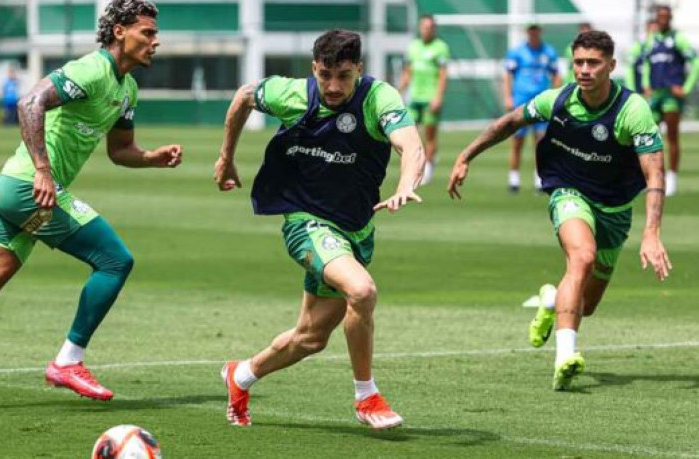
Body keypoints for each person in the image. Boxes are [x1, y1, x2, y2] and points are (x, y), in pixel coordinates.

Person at [0, 0, 182, 400]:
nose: (156, 41)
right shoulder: (91, 69)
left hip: (19, 193)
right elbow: (30, 102)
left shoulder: (127, 90)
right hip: (28, 188)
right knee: (114, 261)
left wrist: (151, 158)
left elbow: (120, 150)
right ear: (120, 31)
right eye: (148, 32)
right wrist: (43, 170)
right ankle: (68, 361)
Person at [214, 29, 424, 428]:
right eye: (325, 75)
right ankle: (366, 397)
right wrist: (226, 158)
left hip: (355, 231)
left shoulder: (379, 98)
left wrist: (405, 184)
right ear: (314, 69)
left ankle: (240, 376)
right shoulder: (293, 94)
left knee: (310, 337)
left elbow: (410, 145)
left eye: (343, 76)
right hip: (305, 222)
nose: (333, 86)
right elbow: (244, 96)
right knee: (362, 291)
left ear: (359, 69)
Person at [448, 31, 671, 391]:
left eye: (593, 63)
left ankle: (552, 299)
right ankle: (565, 356)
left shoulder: (633, 110)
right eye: (579, 62)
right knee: (582, 257)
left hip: (614, 208)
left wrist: (652, 232)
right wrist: (465, 155)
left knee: (588, 303)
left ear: (611, 66)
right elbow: (511, 122)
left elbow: (655, 173)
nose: (584, 70)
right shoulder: (558, 99)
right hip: (569, 192)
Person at [641, 5, 699, 196]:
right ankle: (652, 177)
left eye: (666, 16)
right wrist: (646, 84)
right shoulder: (651, 39)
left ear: (670, 18)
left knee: (672, 136)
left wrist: (686, 88)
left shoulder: (678, 38)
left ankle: (672, 178)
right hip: (655, 94)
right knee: (648, 137)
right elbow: (646, 64)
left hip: (671, 96)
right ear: (656, 18)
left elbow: (696, 62)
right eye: (660, 16)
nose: (663, 19)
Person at [503, 23, 561, 193]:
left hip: (541, 101)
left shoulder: (548, 52)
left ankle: (539, 179)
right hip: (521, 100)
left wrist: (556, 96)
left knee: (541, 141)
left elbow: (556, 74)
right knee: (517, 140)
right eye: (531, 30)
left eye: (536, 30)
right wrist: (508, 97)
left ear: (540, 31)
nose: (533, 33)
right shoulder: (517, 52)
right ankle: (514, 179)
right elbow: (508, 74)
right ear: (527, 32)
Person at [398, 14, 450, 186]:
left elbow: (443, 75)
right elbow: (407, 73)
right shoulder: (413, 47)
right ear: (420, 28)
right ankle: (415, 165)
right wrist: (398, 91)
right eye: (425, 27)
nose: (427, 30)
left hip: (430, 97)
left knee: (429, 135)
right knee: (409, 134)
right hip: (414, 97)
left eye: (430, 27)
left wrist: (438, 97)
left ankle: (427, 170)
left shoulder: (440, 47)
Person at [625, 20, 658, 94]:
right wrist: (631, 90)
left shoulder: (661, 49)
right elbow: (629, 69)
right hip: (640, 92)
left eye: (656, 31)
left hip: (657, 92)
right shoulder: (638, 47)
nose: (654, 34)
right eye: (652, 31)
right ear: (647, 30)